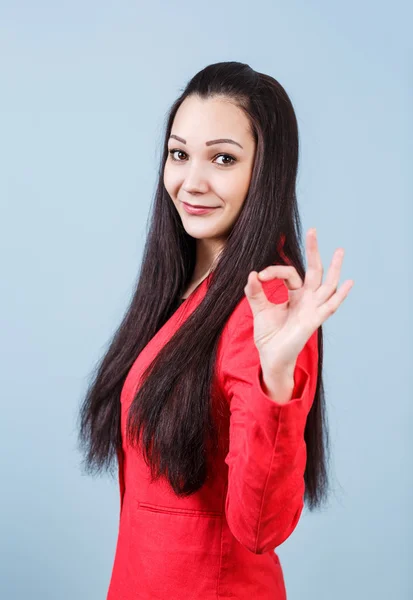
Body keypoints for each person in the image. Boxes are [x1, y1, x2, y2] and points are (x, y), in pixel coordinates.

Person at [78, 61, 354, 599]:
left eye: (223, 158)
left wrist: (276, 377)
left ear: (265, 171)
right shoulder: (179, 287)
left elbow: (259, 527)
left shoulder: (265, 303)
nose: (192, 181)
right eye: (179, 154)